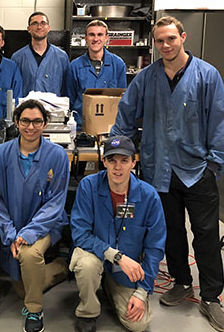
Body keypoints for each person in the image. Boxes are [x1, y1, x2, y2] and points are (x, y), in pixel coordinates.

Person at [110, 16, 224, 332]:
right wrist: (119, 153)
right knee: (170, 232)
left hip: (197, 171)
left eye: (170, 39)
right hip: (158, 169)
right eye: (160, 41)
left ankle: (211, 298)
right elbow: (125, 117)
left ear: (182, 37)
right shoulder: (147, 78)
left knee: (206, 234)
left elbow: (220, 122)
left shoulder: (206, 76)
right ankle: (181, 281)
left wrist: (214, 165)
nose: (165, 45)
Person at [70, 136, 166, 332]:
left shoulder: (148, 196)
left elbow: (155, 248)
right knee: (87, 266)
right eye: (112, 160)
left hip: (125, 271)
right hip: (96, 255)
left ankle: (110, 286)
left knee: (138, 325)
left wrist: (142, 292)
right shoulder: (88, 186)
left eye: (124, 160)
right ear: (103, 162)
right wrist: (116, 256)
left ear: (133, 161)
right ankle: (87, 312)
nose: (117, 167)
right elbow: (80, 234)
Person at [0, 99, 70, 332]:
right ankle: (59, 269)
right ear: (16, 122)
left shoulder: (57, 156)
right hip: (13, 226)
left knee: (30, 254)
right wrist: (12, 233)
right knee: (23, 285)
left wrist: (29, 233)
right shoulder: (1, 154)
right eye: (25, 121)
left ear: (45, 124)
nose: (31, 127)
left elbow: (55, 204)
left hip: (46, 226)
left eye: (37, 122)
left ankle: (34, 311)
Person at [67, 20, 127, 129]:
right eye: (91, 35)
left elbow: (121, 98)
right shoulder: (75, 66)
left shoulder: (118, 64)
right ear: (85, 38)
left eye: (100, 35)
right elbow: (70, 99)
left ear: (106, 38)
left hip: (109, 126)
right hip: (82, 126)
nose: (95, 39)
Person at [11, 11, 69, 97]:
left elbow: (67, 89)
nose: (39, 27)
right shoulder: (17, 58)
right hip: (26, 109)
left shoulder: (62, 57)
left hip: (54, 109)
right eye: (34, 23)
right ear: (29, 29)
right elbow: (13, 90)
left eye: (43, 23)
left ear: (48, 28)